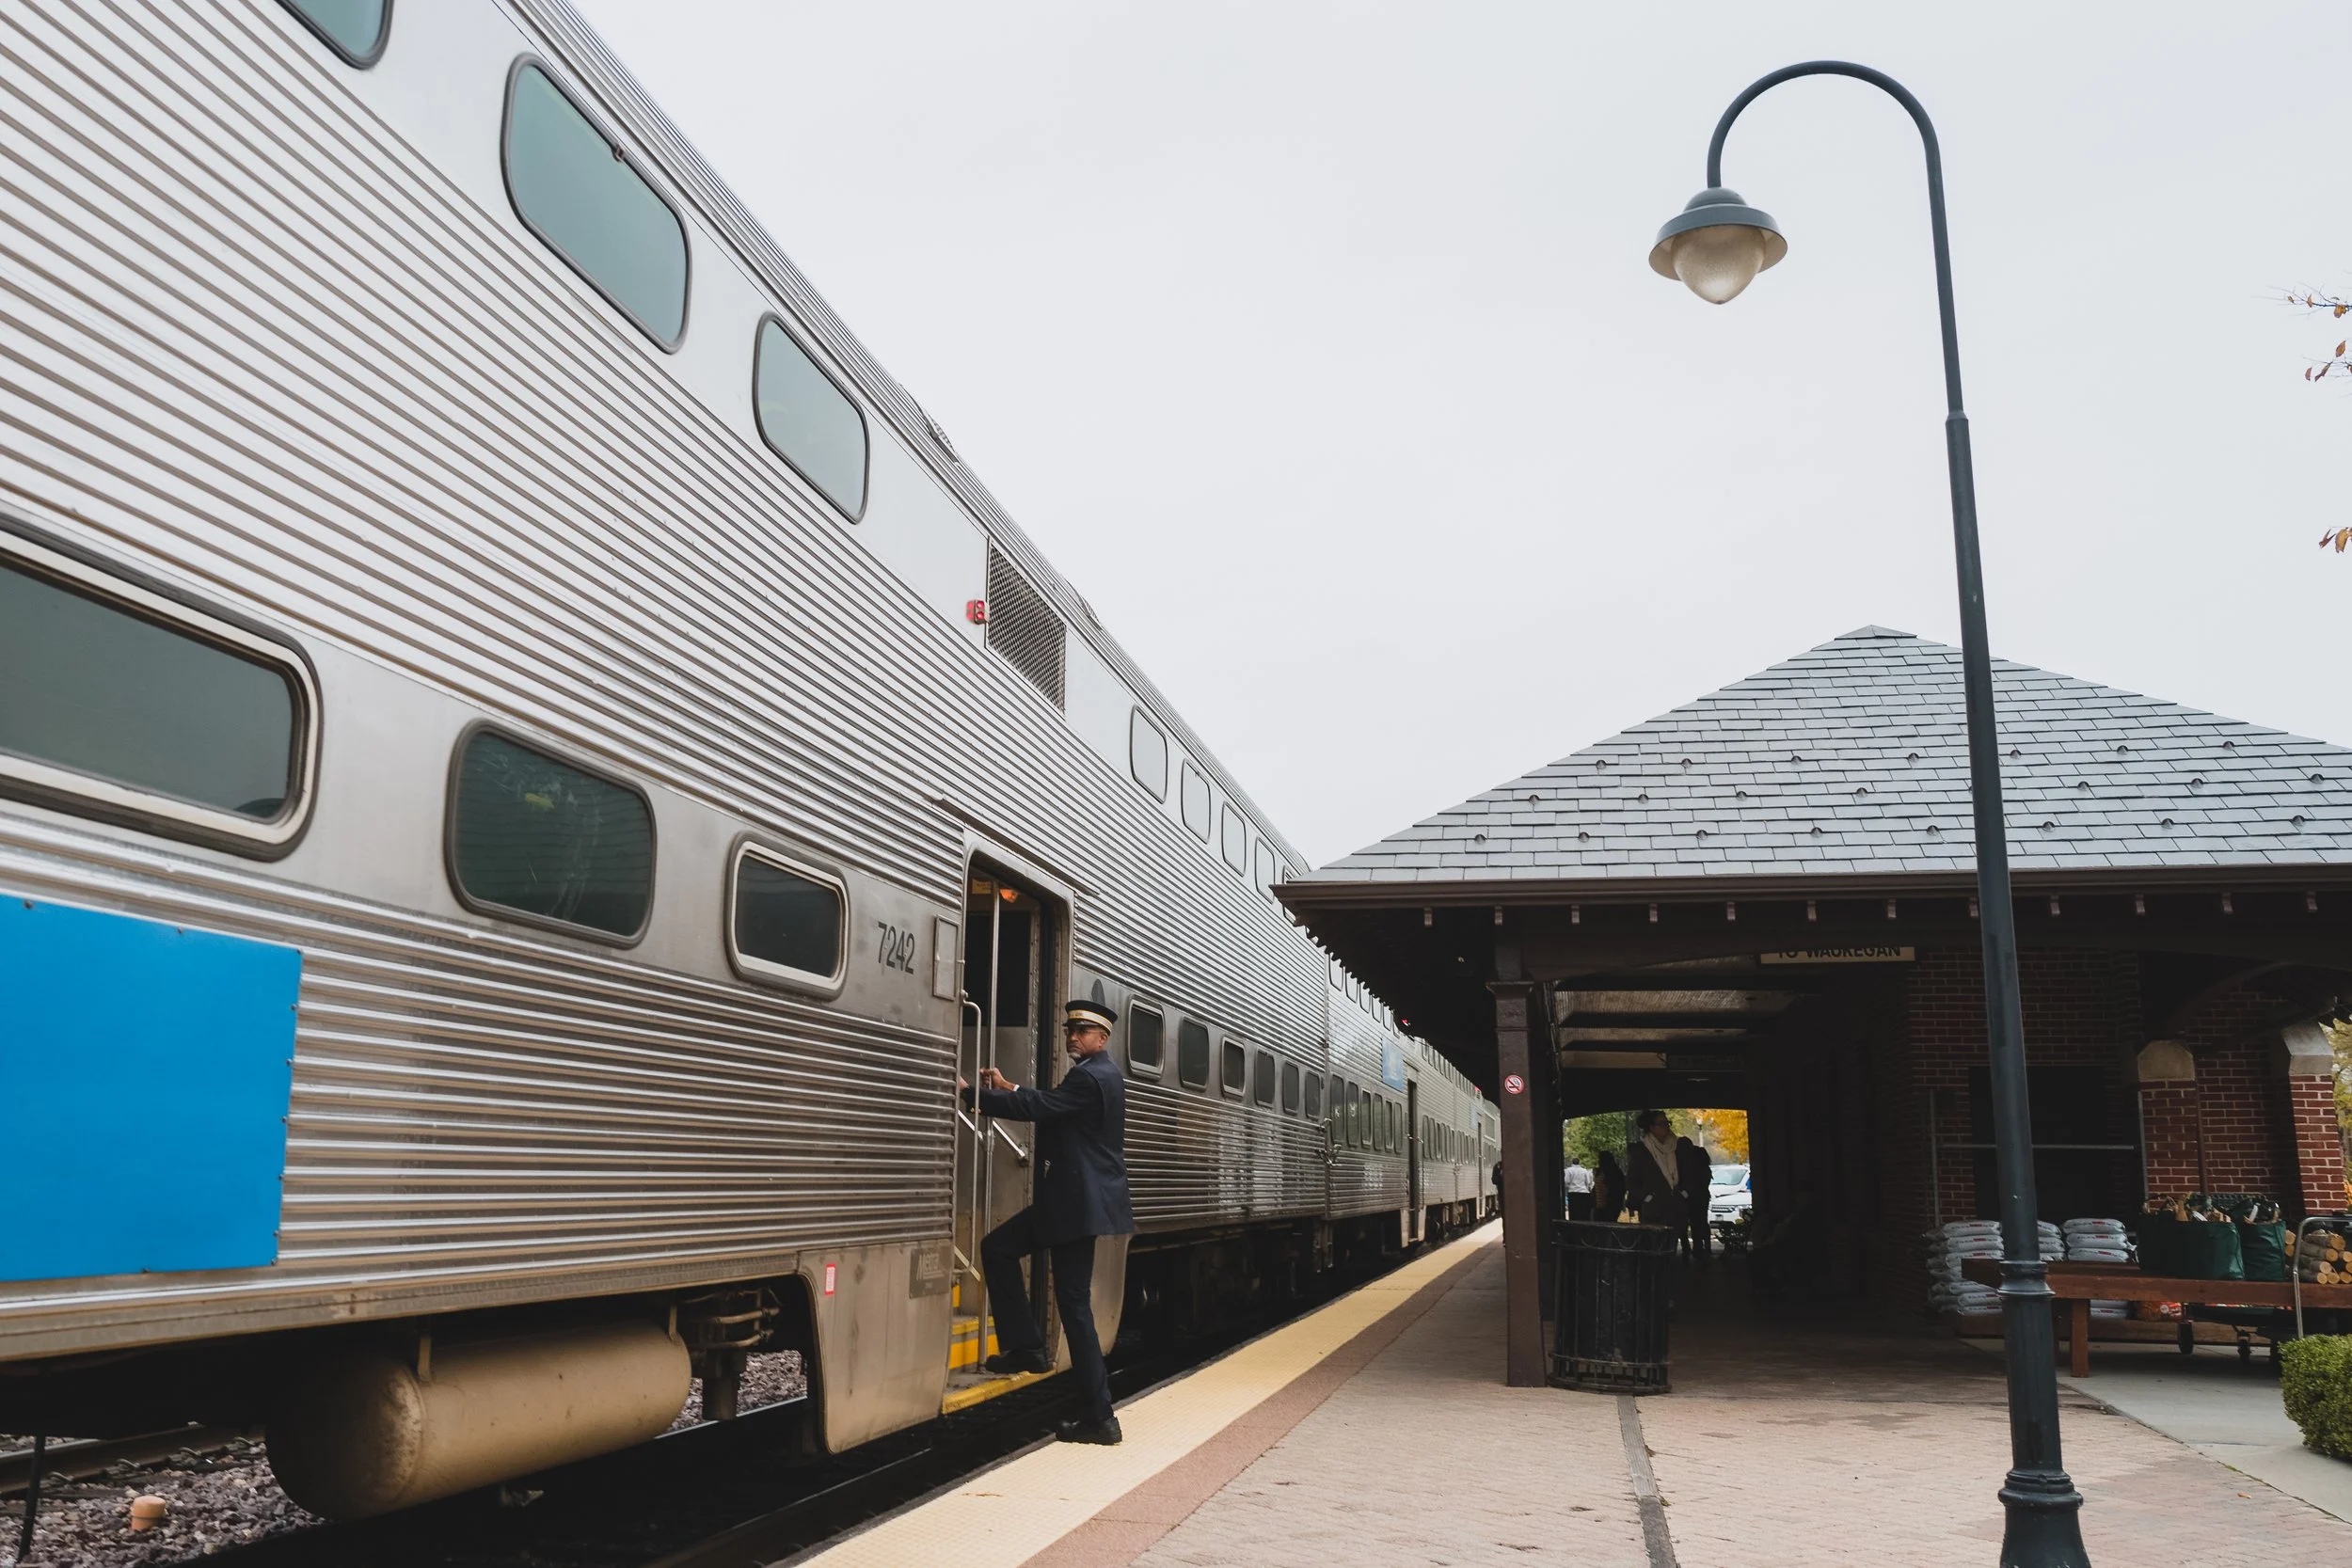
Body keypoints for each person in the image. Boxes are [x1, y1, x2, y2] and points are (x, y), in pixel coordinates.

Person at [961, 998, 1136, 1445]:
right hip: (1075, 1204)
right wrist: (1009, 1087)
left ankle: (1100, 1416)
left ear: (1102, 1038)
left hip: (1074, 1207)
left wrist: (971, 1095)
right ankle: (1028, 1350)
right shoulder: (1105, 1075)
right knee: (1000, 1250)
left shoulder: (1090, 1076)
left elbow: (1040, 1108)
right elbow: (1051, 1103)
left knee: (1074, 1308)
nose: (1073, 1038)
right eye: (1069, 1031)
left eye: (1082, 1033)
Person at [1624, 1110, 1687, 1232]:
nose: (1666, 1127)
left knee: (1672, 1244)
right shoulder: (1642, 1151)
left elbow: (1687, 1173)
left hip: (1676, 1207)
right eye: (1661, 1124)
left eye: (1668, 1123)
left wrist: (1684, 1193)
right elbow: (1631, 1181)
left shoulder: (1677, 1147)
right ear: (1651, 1127)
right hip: (1654, 1210)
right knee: (1654, 1244)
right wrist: (1647, 1197)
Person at [1675, 1136, 1712, 1259]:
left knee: (1683, 1223)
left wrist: (1683, 1192)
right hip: (1702, 1196)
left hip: (1687, 1196)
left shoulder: (1682, 1159)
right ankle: (1702, 1247)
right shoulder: (1700, 1157)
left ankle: (1687, 1248)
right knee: (1700, 1222)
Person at [1594, 1149, 1625, 1220]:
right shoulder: (1601, 1172)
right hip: (1599, 1206)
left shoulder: (1613, 1173)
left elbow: (1615, 1191)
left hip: (1609, 1207)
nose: (1598, 1161)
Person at [1564, 1155, 1596, 1222]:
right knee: (1583, 1212)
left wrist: (1569, 1187)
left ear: (1572, 1163)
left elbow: (1566, 1181)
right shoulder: (1584, 1171)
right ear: (1579, 1163)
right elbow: (1588, 1182)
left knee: (1574, 1213)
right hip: (1584, 1193)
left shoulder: (1568, 1170)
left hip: (1573, 1193)